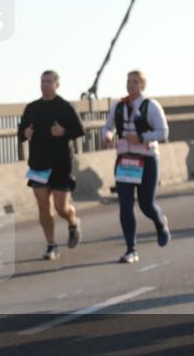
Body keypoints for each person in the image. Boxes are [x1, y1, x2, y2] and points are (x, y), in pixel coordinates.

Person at [101, 70, 170, 264]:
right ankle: (131, 249)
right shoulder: (118, 106)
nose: (131, 86)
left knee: (146, 204)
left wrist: (141, 138)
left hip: (147, 159)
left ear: (142, 85)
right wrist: (106, 136)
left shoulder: (151, 106)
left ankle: (160, 223)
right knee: (125, 205)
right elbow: (108, 127)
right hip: (125, 160)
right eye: (129, 82)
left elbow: (163, 132)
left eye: (135, 82)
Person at [17, 70, 86, 260]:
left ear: (57, 84)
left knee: (60, 207)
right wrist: (26, 134)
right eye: (42, 81)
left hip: (60, 164)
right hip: (39, 163)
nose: (45, 84)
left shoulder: (65, 107)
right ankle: (51, 244)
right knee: (42, 206)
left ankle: (72, 220)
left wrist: (63, 131)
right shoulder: (32, 107)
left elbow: (80, 130)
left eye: (48, 81)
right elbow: (22, 130)